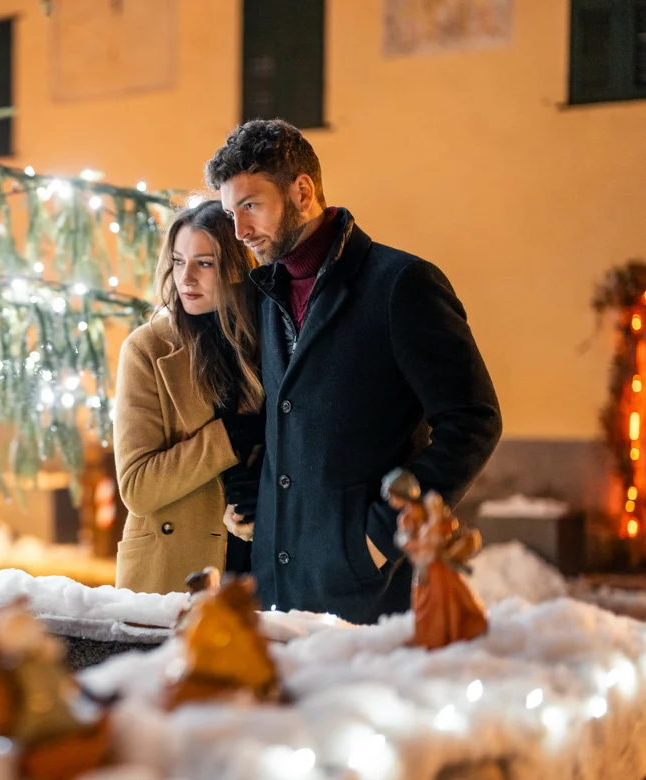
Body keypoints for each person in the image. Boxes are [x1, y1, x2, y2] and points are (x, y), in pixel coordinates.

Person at [205, 119, 502, 624]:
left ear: (302, 191)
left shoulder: (401, 285)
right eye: (232, 212)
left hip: (367, 592)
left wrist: (382, 537)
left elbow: (473, 421)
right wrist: (257, 500)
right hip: (277, 589)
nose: (240, 231)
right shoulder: (268, 294)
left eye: (250, 206)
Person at [113, 200, 265, 594]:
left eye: (205, 263)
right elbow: (137, 487)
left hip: (260, 566)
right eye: (179, 261)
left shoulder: (270, 343)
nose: (187, 278)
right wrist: (227, 438)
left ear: (236, 267)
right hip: (172, 571)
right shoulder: (147, 349)